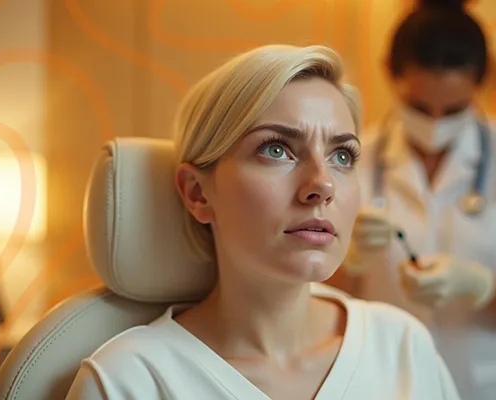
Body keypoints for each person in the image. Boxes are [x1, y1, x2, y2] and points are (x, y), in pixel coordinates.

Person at [65, 44, 461, 400]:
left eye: (343, 156)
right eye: (276, 149)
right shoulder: (129, 381)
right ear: (198, 194)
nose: (322, 184)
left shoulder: (402, 347)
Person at [327, 1, 496, 400]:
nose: (435, 122)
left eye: (454, 109)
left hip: (488, 386)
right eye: (419, 107)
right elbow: (321, 299)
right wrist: (351, 259)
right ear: (390, 73)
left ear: (478, 84)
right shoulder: (353, 157)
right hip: (384, 383)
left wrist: (481, 285)